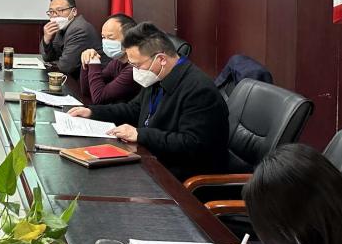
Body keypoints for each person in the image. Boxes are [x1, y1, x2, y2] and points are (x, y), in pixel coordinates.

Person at [67, 22, 228, 179]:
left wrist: (140, 134)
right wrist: (92, 112)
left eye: (137, 65)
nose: (135, 71)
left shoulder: (199, 90)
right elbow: (134, 109)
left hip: (181, 174)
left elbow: (191, 144)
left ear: (161, 59)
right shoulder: (157, 75)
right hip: (152, 157)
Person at [78, 13, 138, 106]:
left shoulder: (134, 68)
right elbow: (87, 91)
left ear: (129, 39)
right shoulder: (117, 61)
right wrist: (87, 61)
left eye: (110, 38)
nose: (105, 42)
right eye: (103, 37)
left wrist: (94, 63)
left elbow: (99, 98)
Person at [39, 0, 101, 80]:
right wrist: (46, 39)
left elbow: (65, 66)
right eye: (51, 12)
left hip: (94, 79)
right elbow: (48, 57)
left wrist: (53, 62)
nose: (55, 15)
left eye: (60, 10)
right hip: (76, 77)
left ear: (74, 11)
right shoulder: (62, 27)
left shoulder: (79, 29)